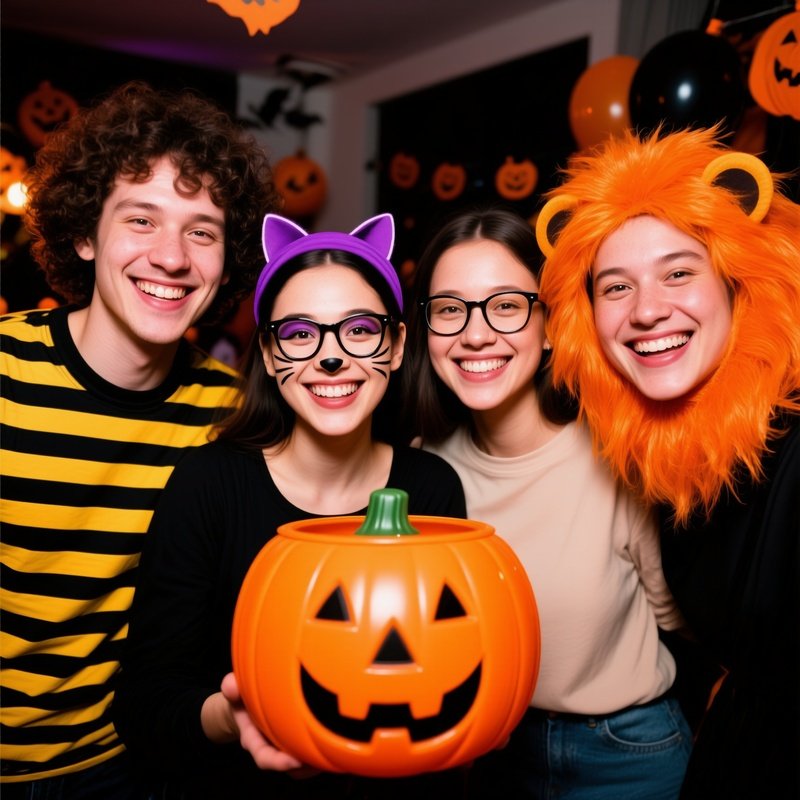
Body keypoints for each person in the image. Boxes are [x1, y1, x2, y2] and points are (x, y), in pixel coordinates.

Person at [113, 212, 468, 798]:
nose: (330, 357)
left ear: (399, 344)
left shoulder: (432, 489)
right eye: (300, 334)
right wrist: (233, 719)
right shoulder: (209, 484)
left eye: (359, 329)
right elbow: (148, 706)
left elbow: (445, 667)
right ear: (272, 357)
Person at [0, 81, 278, 797]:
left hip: (114, 770)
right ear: (85, 234)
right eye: (142, 220)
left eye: (203, 231)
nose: (173, 257)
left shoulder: (229, 417)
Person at [537, 126, 800, 799]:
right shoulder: (669, 466)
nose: (648, 311)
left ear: (739, 283)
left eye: (679, 272)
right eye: (615, 287)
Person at [404, 206, 692, 799]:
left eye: (506, 305)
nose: (476, 333)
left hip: (628, 754)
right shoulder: (421, 471)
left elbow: (683, 624)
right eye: (450, 310)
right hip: (484, 752)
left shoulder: (619, 457)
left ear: (553, 325)